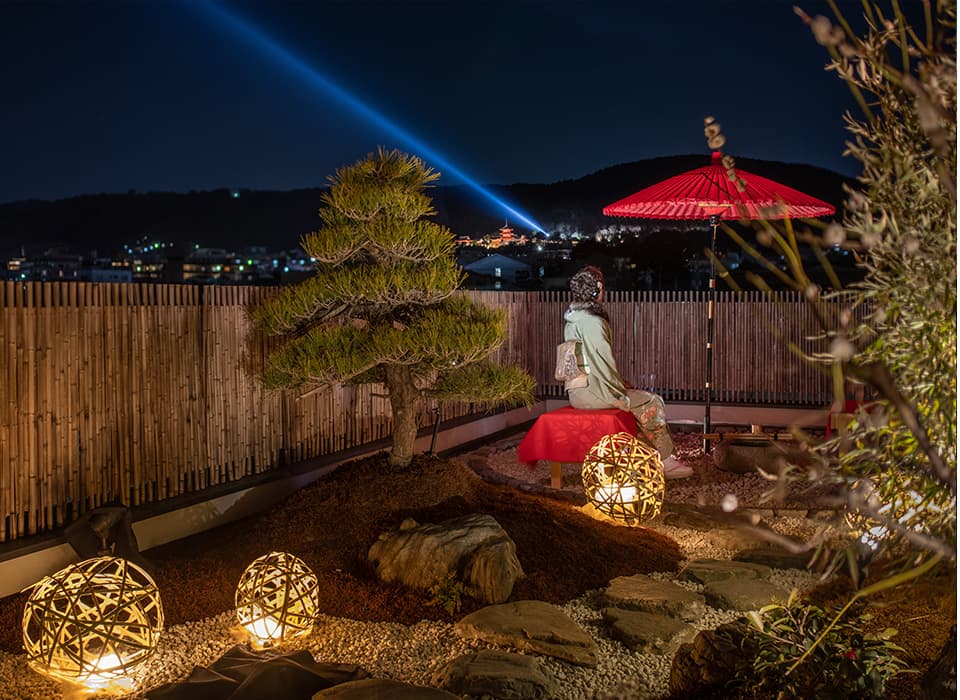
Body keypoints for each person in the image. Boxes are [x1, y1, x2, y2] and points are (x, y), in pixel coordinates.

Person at [563, 266, 693, 479]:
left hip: (577, 392)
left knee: (635, 398)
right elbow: (602, 363)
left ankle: (645, 457)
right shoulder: (593, 321)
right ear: (597, 288)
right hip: (597, 393)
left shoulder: (572, 320)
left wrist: (619, 384)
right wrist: (617, 394)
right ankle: (667, 461)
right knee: (652, 401)